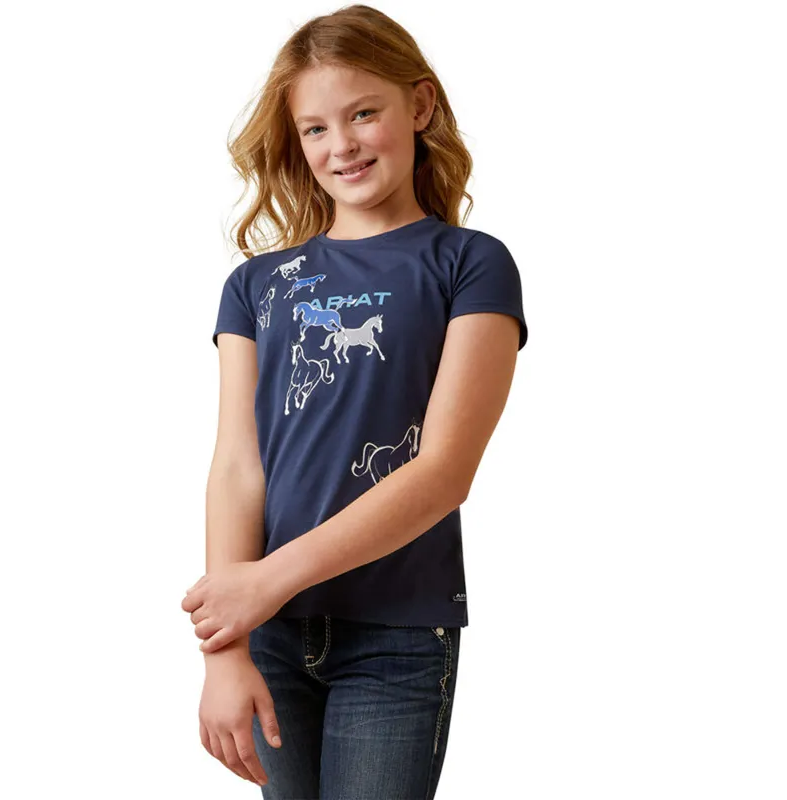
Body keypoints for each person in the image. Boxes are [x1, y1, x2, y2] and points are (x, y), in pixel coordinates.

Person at [180, 4, 528, 797]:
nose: (341, 145)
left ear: (420, 105)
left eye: (363, 113)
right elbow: (237, 466)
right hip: (267, 634)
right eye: (315, 128)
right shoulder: (255, 286)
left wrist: (266, 580)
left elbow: (444, 472)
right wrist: (226, 647)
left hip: (396, 634)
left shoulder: (470, 265)